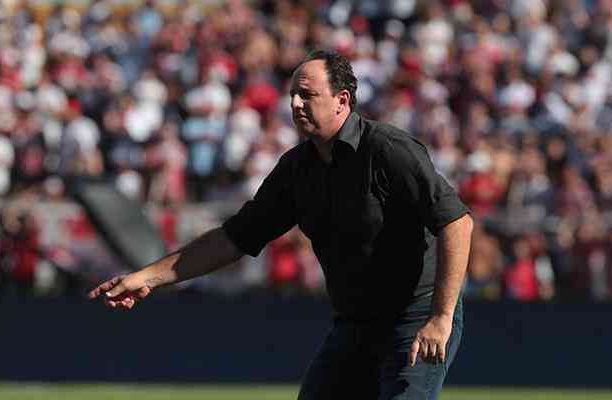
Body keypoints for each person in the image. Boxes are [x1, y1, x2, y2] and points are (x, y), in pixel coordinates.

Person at [88, 50, 473, 400]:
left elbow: (456, 222)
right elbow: (232, 239)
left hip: (416, 315)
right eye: (292, 95)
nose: (294, 103)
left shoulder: (387, 150)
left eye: (307, 94)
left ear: (343, 100)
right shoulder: (296, 170)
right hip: (355, 326)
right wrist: (147, 278)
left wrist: (440, 318)